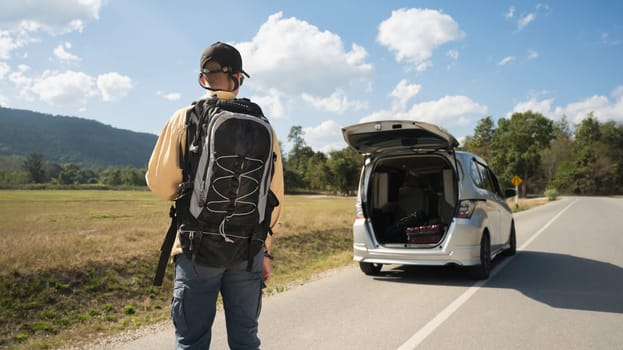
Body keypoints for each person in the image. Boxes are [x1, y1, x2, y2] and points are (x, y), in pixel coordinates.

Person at [145, 41, 284, 350]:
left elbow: (159, 184)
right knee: (246, 339)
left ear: (202, 79)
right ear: (239, 78)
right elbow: (274, 197)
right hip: (248, 249)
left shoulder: (185, 118)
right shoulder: (264, 125)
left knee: (192, 341)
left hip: (197, 248)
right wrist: (266, 251)